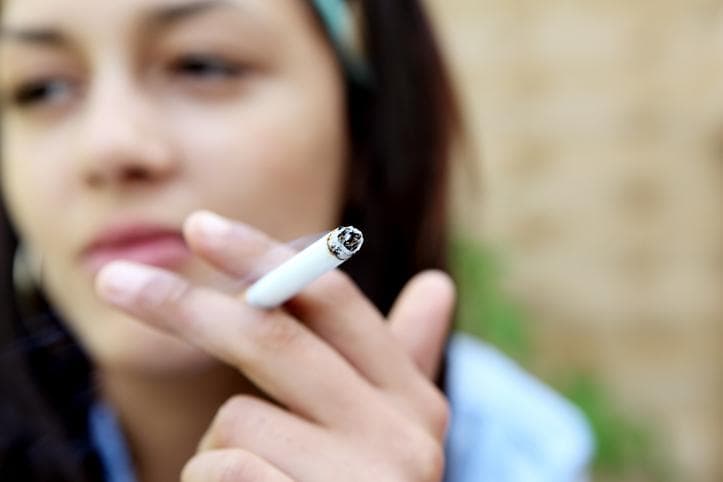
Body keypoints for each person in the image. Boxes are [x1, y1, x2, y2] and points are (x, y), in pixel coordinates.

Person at [0, 0, 594, 480]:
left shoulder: (513, 454)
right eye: (42, 89)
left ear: (363, 126)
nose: (110, 147)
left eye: (201, 65)